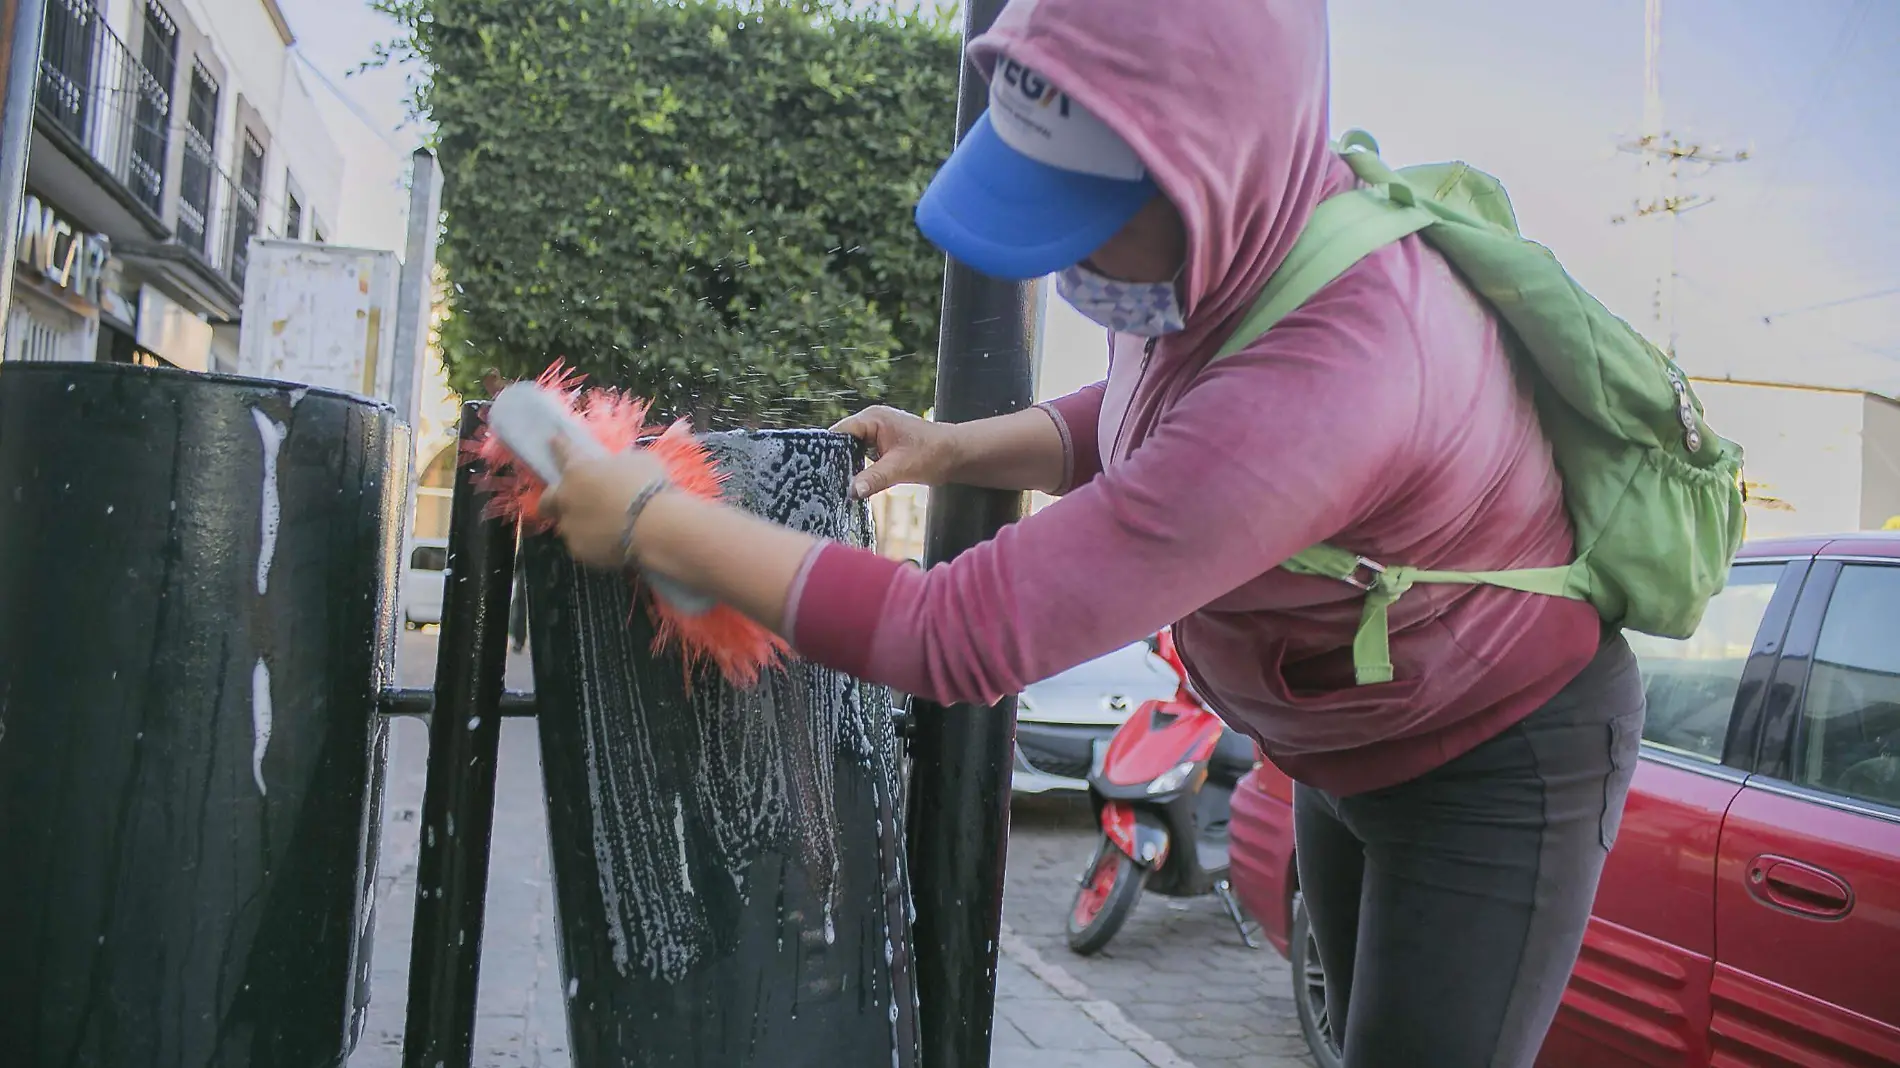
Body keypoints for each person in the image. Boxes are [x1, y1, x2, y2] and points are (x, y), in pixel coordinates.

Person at [538, 0, 1646, 1064]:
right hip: (1342, 748)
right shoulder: (1240, 247)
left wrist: (652, 521)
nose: (1063, 273)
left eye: (1087, 221)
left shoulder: (1340, 370)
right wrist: (961, 448)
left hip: (1494, 757)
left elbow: (955, 636)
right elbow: (1155, 428)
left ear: (1209, 172)